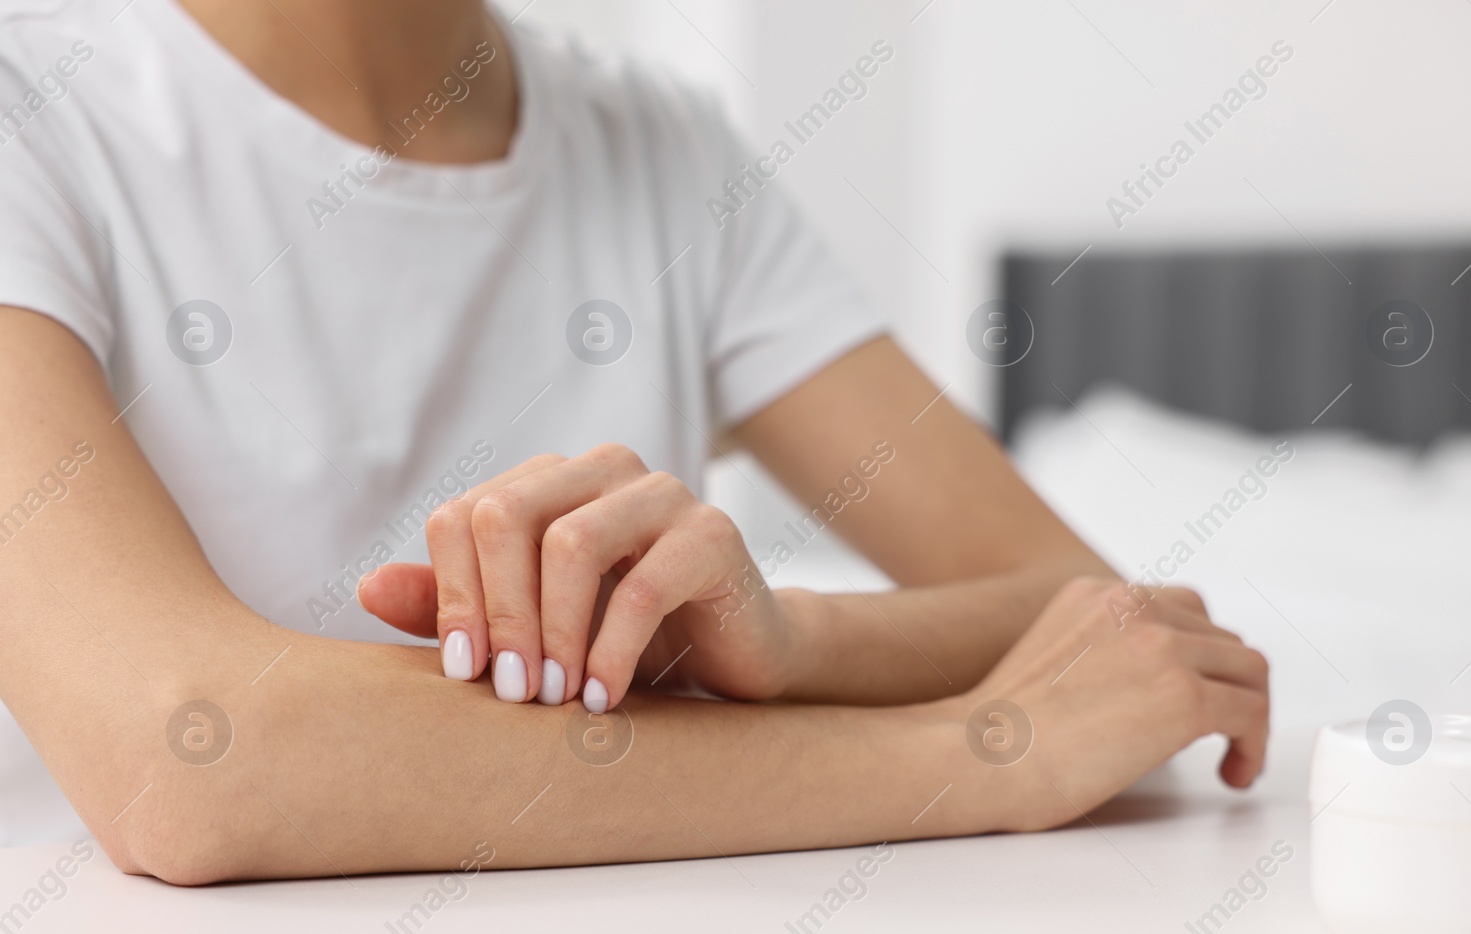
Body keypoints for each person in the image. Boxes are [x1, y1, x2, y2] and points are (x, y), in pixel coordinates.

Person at [0, 0, 1269, 884]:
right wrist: (974, 755)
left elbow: (1078, 604)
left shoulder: (661, 148)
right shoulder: (34, 113)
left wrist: (782, 643)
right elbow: (185, 749)